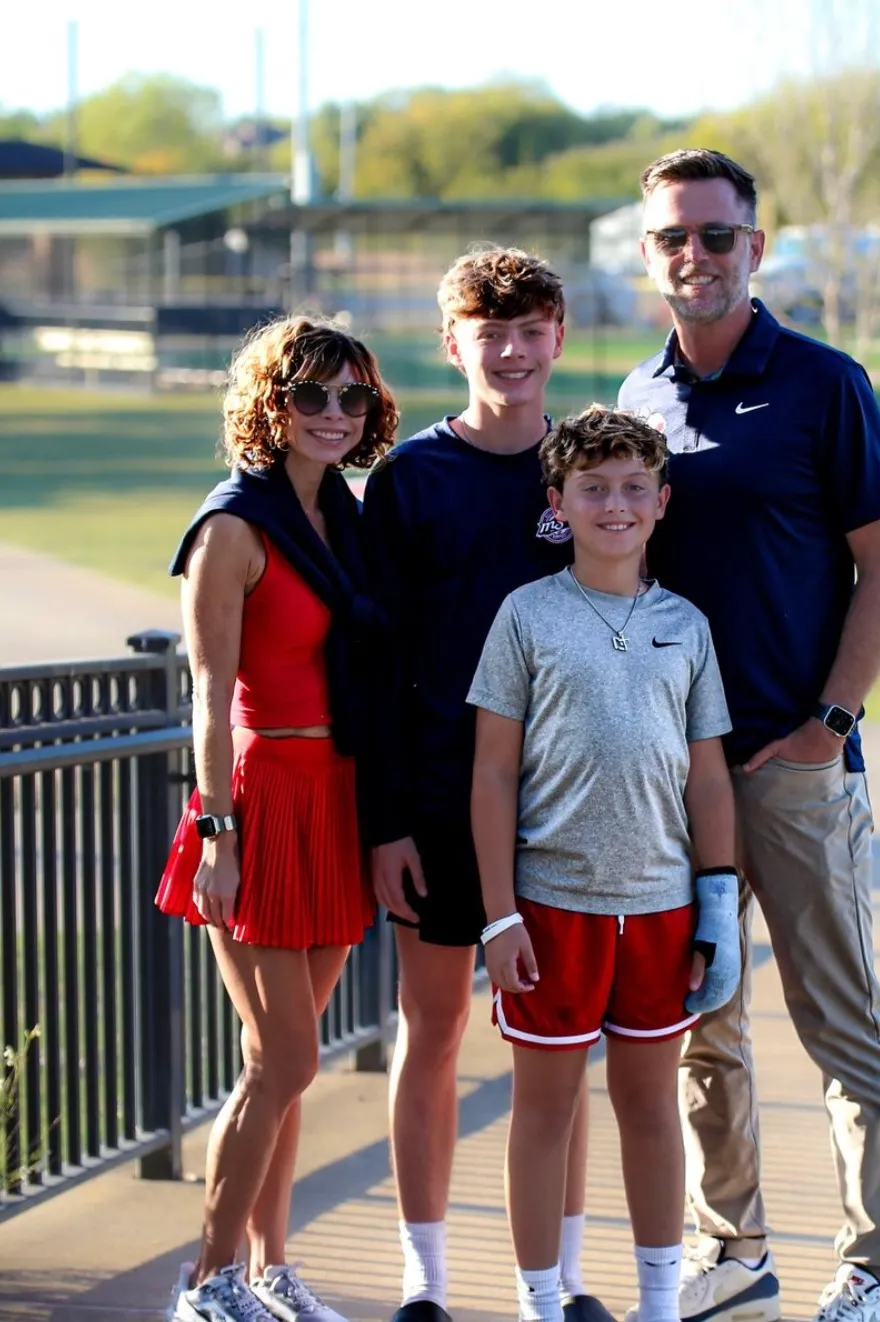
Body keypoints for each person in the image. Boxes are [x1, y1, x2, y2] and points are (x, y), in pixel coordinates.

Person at [618, 149, 880, 1322]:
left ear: (756, 242)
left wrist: (827, 723)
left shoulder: (823, 383)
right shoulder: (636, 399)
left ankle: (874, 1265)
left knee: (842, 1023)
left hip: (794, 768)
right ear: (648, 253)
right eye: (671, 238)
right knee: (704, 1020)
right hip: (675, 779)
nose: (694, 256)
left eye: (716, 234)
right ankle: (731, 1240)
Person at [363, 249, 611, 1322]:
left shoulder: (589, 468)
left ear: (557, 336)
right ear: (451, 342)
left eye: (529, 329)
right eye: (486, 330)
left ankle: (554, 1282)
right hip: (435, 796)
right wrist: (385, 822)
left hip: (564, 808)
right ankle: (424, 1277)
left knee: (559, 1048)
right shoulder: (414, 478)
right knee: (433, 1029)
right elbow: (371, 661)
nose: (509, 351)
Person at [469, 405, 740, 1322]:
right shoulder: (526, 615)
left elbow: (708, 777)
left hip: (661, 910)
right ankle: (541, 1302)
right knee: (544, 1112)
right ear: (560, 502)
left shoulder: (689, 625)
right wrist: (499, 913)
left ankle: (659, 1304)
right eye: (593, 488)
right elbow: (494, 771)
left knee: (651, 1110)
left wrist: (717, 904)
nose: (614, 505)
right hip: (550, 909)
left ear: (661, 502)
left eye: (633, 488)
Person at [156, 317, 398, 1322]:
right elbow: (208, 698)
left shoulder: (341, 515)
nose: (333, 415)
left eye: (349, 397)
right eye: (311, 396)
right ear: (270, 404)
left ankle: (267, 1267)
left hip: (335, 795)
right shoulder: (232, 528)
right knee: (287, 1056)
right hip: (255, 804)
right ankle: (204, 1282)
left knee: (285, 1068)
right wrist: (217, 833)